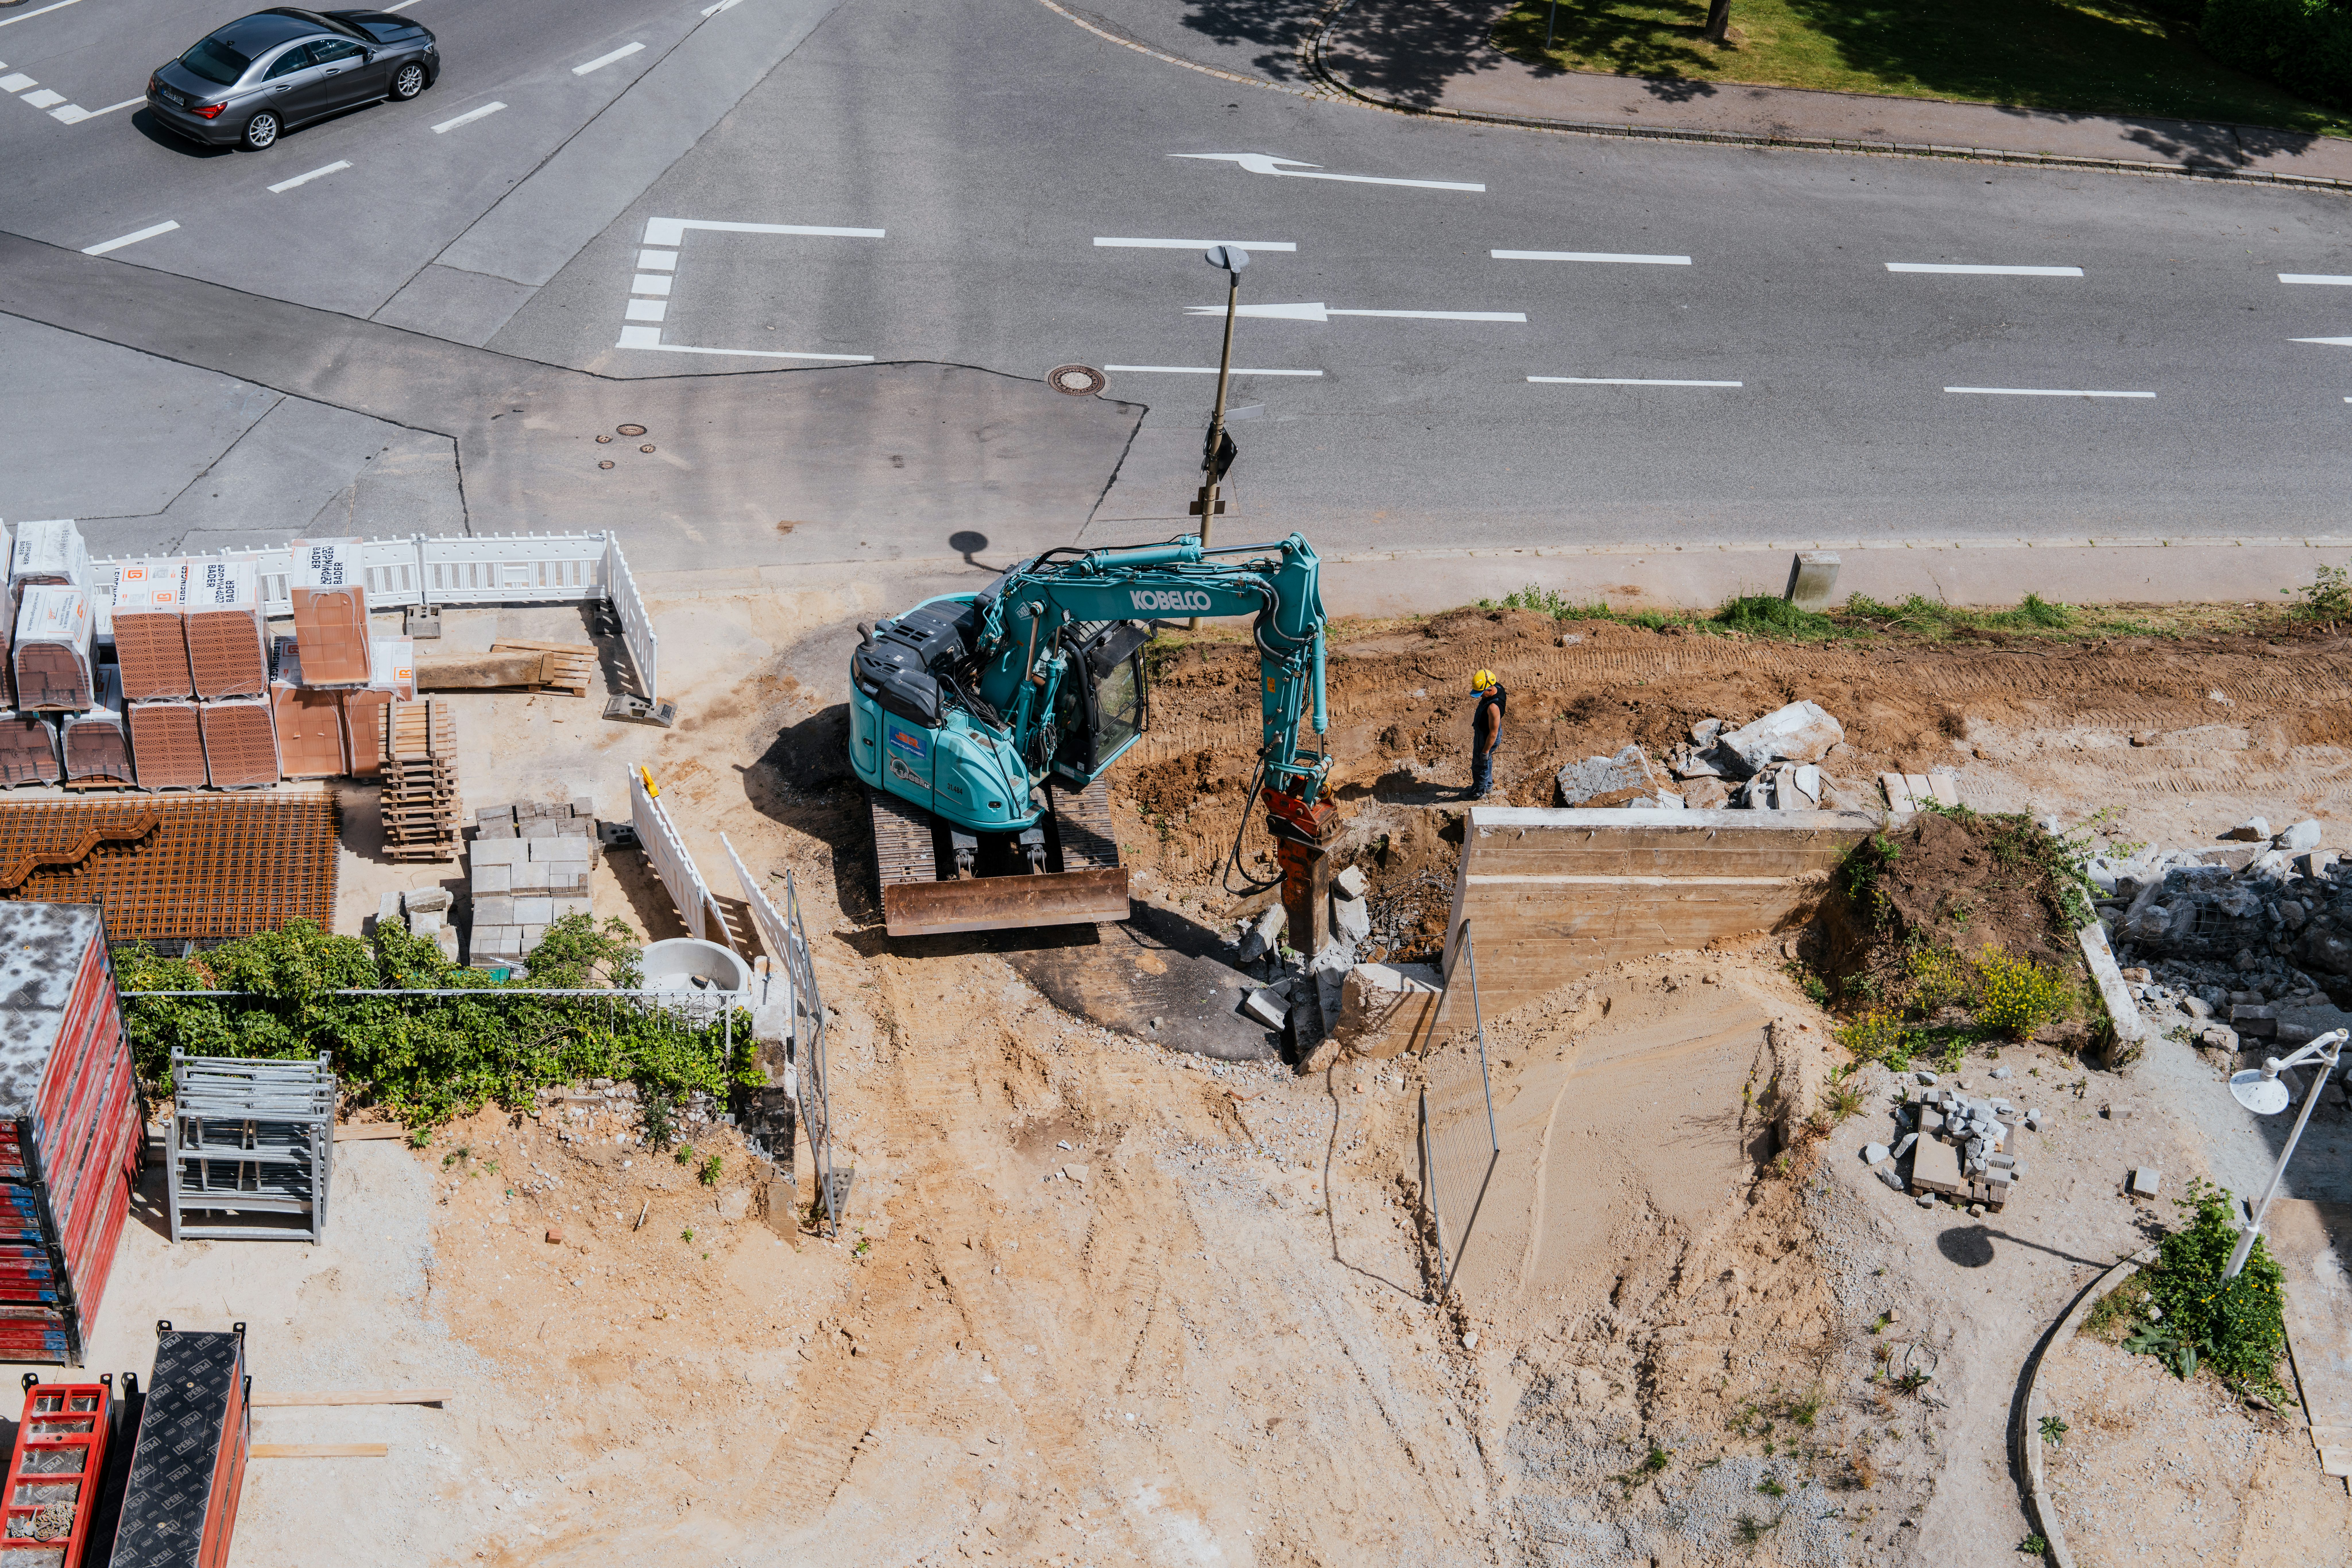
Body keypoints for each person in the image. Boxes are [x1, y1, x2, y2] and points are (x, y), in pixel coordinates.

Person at [1468, 669, 1505, 800]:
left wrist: (1485, 750)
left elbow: (1493, 734)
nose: (1480, 696)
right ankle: (1488, 786)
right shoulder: (1498, 687)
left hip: (1487, 738)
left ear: (1490, 690)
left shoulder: (1493, 708)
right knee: (1487, 759)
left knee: (1480, 764)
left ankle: (1478, 793)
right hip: (1487, 732)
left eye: (1481, 693)